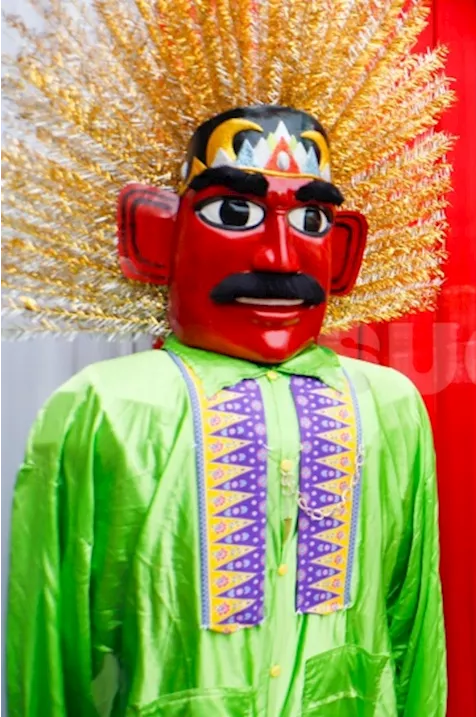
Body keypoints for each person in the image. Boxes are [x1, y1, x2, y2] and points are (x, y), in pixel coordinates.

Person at [2, 10, 452, 712]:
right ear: (154, 237)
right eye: (235, 215)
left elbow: (414, 619)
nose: (278, 256)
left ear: (344, 252)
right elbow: (50, 641)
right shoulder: (101, 409)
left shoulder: (390, 407)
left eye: (310, 222)